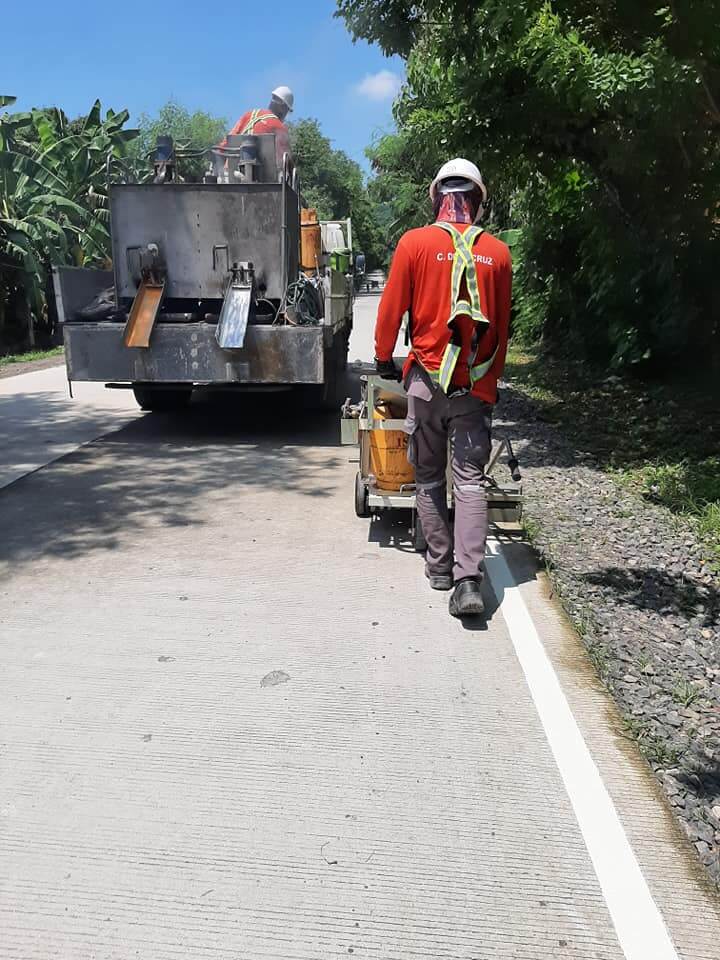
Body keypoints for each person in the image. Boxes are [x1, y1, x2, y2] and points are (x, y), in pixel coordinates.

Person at [374, 158, 512, 618]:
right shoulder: (499, 253)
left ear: (438, 197)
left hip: (426, 383)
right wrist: (489, 383)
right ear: (477, 200)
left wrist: (381, 356)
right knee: (470, 482)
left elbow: (392, 308)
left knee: (429, 477)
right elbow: (503, 330)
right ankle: (468, 578)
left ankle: (438, 567)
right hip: (474, 387)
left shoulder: (414, 243)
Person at [220, 86, 294, 168]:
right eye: (287, 111)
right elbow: (285, 161)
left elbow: (225, 143)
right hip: (262, 178)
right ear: (283, 107)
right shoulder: (280, 128)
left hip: (230, 174)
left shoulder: (249, 115)